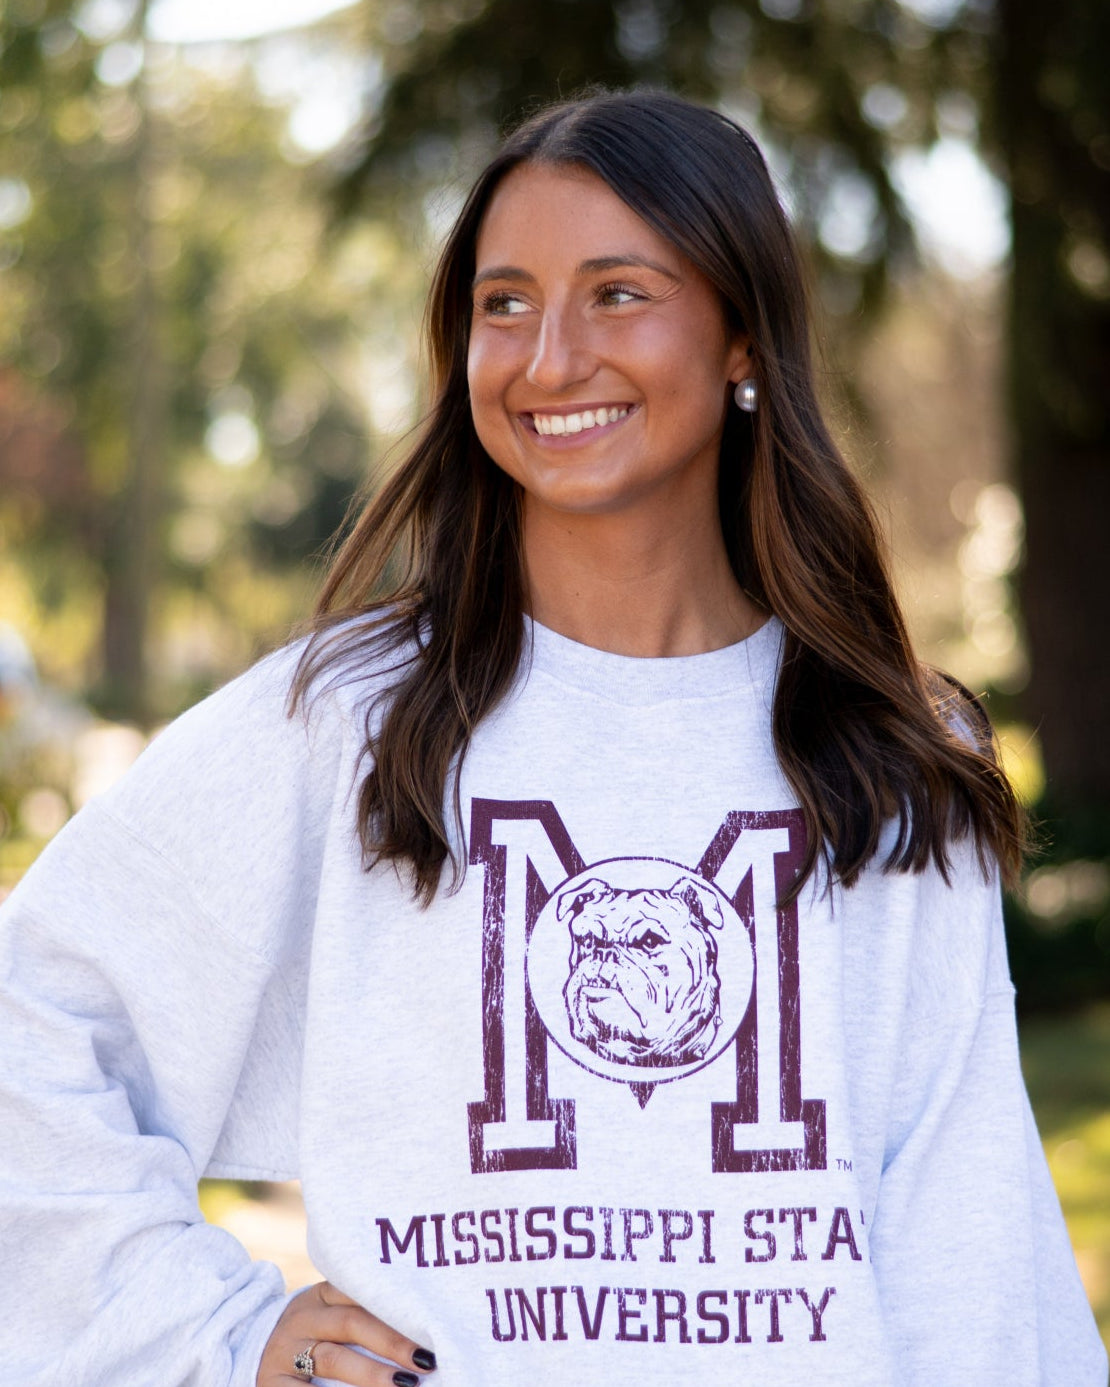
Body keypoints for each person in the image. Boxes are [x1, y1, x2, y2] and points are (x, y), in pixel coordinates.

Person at [0, 89, 1104, 1387]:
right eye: (503, 303)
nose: (546, 358)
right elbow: (34, 1025)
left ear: (743, 336)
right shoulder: (354, 724)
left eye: (618, 294)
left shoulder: (888, 749)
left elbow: (959, 1230)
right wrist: (213, 1331)